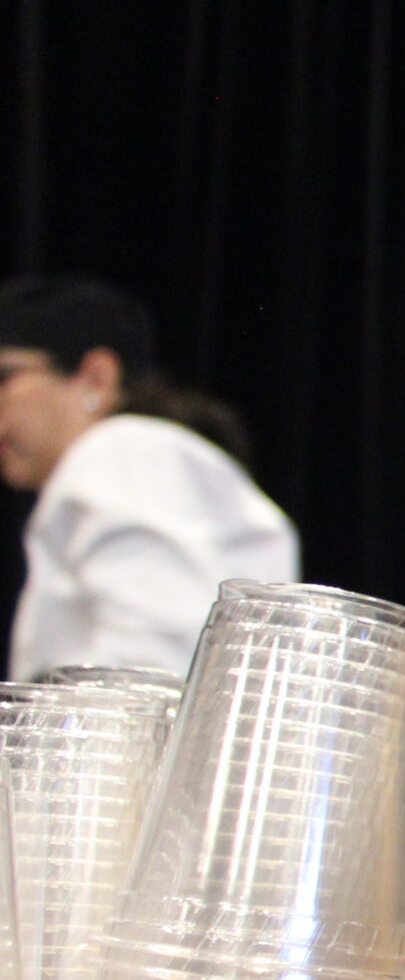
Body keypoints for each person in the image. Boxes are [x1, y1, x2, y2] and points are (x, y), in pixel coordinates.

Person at [0, 276, 298, 679]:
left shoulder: (122, 450)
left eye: (4, 377)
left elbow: (151, 664)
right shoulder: (150, 460)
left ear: (96, 377)